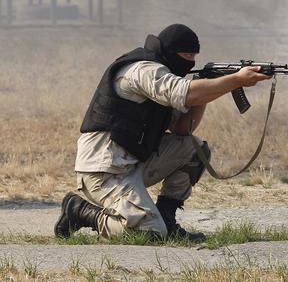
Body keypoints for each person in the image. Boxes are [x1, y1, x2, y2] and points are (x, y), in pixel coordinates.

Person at [54, 24, 271, 241]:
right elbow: (185, 94)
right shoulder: (142, 70)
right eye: (186, 55)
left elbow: (182, 128)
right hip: (104, 170)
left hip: (134, 162)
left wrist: (208, 88)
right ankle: (80, 212)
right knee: (150, 232)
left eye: (194, 56)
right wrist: (236, 80)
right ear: (169, 52)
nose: (190, 61)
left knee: (194, 149)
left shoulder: (166, 74)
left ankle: (168, 220)